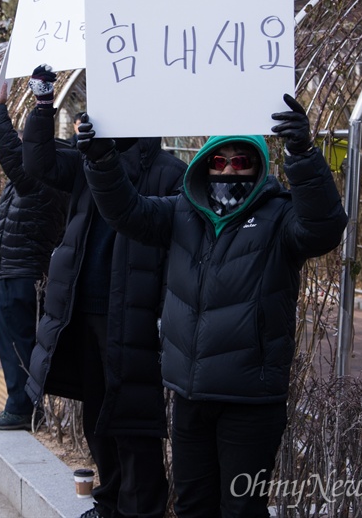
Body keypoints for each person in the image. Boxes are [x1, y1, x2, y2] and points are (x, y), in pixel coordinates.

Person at [79, 94, 347, 517]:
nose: (229, 170)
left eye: (242, 162)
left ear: (258, 167)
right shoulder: (183, 212)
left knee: (241, 509)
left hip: (252, 400)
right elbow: (127, 212)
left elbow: (325, 228)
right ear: (205, 164)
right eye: (219, 162)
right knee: (192, 506)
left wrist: (303, 153)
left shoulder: (280, 217)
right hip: (190, 394)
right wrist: (100, 158)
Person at [22, 65, 186, 518]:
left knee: (133, 423)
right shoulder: (85, 159)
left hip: (133, 314)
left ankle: (143, 509)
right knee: (98, 416)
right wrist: (41, 105)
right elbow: (37, 162)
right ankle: (110, 504)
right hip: (80, 310)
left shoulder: (171, 172)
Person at [0, 82, 67, 430]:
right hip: (11, 267)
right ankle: (26, 406)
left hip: (20, 270)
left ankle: (23, 408)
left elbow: (10, 154)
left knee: (18, 343)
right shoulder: (47, 169)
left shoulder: (45, 172)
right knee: (14, 342)